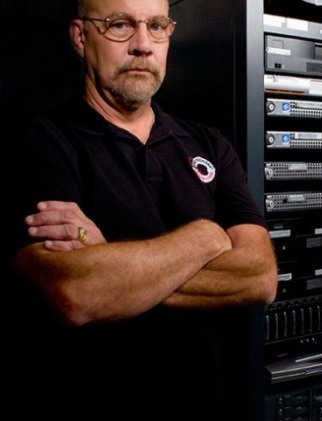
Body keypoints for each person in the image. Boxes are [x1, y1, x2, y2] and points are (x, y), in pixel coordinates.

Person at [1, 0, 277, 418]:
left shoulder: (209, 144)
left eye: (158, 26)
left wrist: (111, 263)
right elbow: (74, 293)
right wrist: (206, 236)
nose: (143, 44)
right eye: (119, 25)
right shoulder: (40, 143)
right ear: (81, 37)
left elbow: (260, 276)